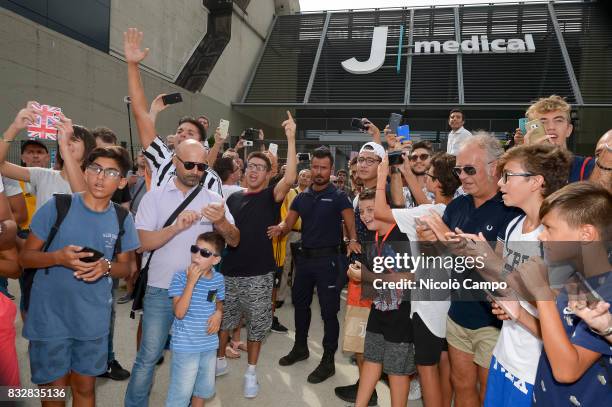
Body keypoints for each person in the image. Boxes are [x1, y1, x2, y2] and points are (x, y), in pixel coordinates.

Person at [19, 146, 140, 406]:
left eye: (110, 172)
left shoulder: (122, 217)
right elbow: (25, 258)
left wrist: (106, 266)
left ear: (121, 181)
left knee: (85, 389)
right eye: (95, 168)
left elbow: (126, 268)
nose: (100, 176)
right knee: (54, 391)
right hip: (49, 317)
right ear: (84, 171)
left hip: (92, 320)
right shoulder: (58, 206)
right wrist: (57, 258)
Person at [124, 139, 239, 407]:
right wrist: (175, 228)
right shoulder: (155, 197)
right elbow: (141, 243)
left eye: (201, 166)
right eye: (189, 164)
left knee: (194, 357)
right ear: (175, 161)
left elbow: (234, 240)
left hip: (199, 294)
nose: (195, 171)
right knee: (148, 356)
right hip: (160, 289)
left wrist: (220, 221)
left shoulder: (214, 200)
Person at [458, 144, 572, 407]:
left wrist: (495, 264)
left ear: (536, 182)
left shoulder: (558, 236)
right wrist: (475, 256)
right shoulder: (514, 224)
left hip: (537, 367)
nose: (499, 184)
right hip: (505, 354)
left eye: (508, 175)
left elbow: (559, 313)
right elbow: (503, 283)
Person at [418, 133, 521, 406]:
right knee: (461, 384)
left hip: (494, 320)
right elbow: (442, 255)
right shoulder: (457, 206)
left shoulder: (511, 210)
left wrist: (456, 244)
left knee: (489, 392)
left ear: (495, 167)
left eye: (469, 169)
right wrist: (430, 241)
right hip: (458, 315)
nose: (462, 176)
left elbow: (508, 272)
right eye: (458, 170)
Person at [216, 112, 297, 398]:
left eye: (260, 168)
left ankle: (251, 372)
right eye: (250, 166)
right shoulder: (233, 197)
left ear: (267, 174)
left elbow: (290, 177)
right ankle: (220, 360)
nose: (253, 171)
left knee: (257, 323)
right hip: (229, 270)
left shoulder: (271, 196)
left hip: (259, 273)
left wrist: (290, 136)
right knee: (225, 320)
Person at [375, 152, 460, 407]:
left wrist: (382, 179)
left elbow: (380, 211)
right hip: (449, 303)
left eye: (429, 176)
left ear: (437, 183)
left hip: (426, 307)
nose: (425, 180)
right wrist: (408, 173)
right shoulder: (453, 210)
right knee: (445, 368)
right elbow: (423, 199)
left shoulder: (425, 213)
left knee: (427, 371)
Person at [517, 182, 611, 406]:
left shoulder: (606, 293)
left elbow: (566, 371)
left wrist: (542, 294)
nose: (541, 237)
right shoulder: (577, 274)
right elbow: (560, 338)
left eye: (549, 228)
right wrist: (519, 314)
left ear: (586, 234)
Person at [272, 147, 360, 384]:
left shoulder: (340, 196)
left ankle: (329, 360)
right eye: (315, 167)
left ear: (330, 170)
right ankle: (301, 348)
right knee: (300, 306)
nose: (318, 172)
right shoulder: (301, 197)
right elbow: (288, 222)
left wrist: (352, 241)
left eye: (323, 168)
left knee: (329, 313)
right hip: (305, 260)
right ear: (310, 168)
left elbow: (350, 223)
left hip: (329, 262)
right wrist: (280, 228)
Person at [123, 28, 223, 194]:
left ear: (201, 143)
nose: (183, 134)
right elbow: (140, 114)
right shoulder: (161, 158)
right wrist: (133, 66)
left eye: (190, 133)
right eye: (180, 131)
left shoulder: (211, 179)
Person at [352, 189, 415, 407]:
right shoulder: (373, 236)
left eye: (371, 209)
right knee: (371, 359)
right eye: (361, 211)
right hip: (379, 309)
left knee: (397, 371)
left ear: (385, 209)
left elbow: (409, 278)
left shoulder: (403, 234)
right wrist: (359, 275)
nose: (366, 215)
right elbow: (373, 278)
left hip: (403, 314)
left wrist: (366, 276)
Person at [165, 232, 225, 407]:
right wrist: (191, 283)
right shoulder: (180, 277)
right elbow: (179, 313)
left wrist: (219, 313)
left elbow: (218, 302)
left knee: (202, 390)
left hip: (208, 345)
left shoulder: (218, 279)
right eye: (195, 249)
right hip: (186, 347)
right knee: (180, 396)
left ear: (215, 260)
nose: (197, 255)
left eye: (204, 253)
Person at [0, 103, 96, 210]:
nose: (66, 142)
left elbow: (82, 197)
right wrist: (14, 127)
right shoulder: (43, 175)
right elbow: (1, 166)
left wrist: (64, 147)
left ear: (88, 148)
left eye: (73, 139)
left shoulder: (95, 181)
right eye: (62, 139)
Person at [516, 95, 594, 182]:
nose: (551, 127)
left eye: (558, 120)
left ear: (569, 129)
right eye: (543, 122)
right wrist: (528, 155)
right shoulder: (521, 168)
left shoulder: (588, 167)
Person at [275, 169, 311, 309]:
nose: (305, 178)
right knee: (285, 265)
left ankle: (297, 297)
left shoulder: (312, 195)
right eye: (302, 175)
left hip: (306, 234)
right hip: (290, 233)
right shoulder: (289, 192)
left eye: (308, 176)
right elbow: (283, 212)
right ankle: (280, 296)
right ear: (298, 177)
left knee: (300, 268)